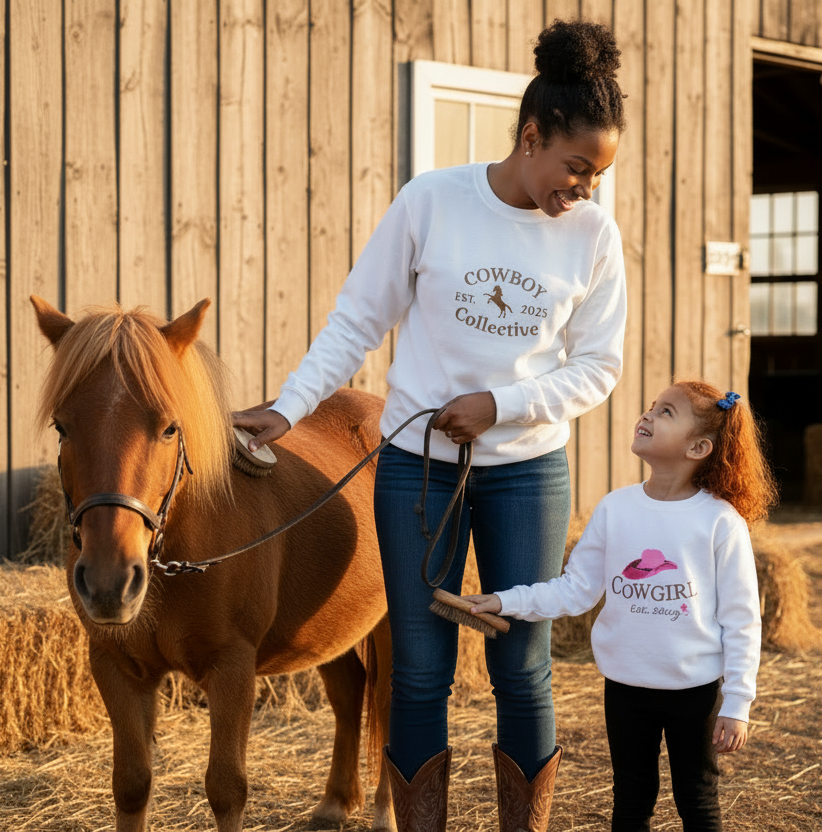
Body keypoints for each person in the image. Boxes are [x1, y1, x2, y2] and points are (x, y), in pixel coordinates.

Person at [232, 18, 628, 832]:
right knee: (417, 671)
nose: (584, 187)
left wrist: (501, 406)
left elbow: (600, 367)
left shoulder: (592, 233)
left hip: (528, 471)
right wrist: (289, 407)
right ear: (530, 137)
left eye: (598, 174)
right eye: (577, 167)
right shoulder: (431, 202)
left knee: (522, 667)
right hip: (417, 467)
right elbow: (355, 321)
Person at [466, 380, 778, 832]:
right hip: (626, 687)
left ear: (698, 447)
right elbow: (575, 590)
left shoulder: (719, 522)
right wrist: (505, 600)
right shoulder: (616, 509)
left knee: (697, 799)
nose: (648, 414)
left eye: (666, 412)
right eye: (652, 406)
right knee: (631, 797)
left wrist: (737, 702)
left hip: (695, 690)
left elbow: (742, 619)